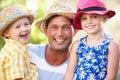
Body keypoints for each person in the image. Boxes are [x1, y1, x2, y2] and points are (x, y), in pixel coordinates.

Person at [64, 0, 120, 80]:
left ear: (105, 18)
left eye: (94, 17)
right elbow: (69, 73)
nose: (89, 21)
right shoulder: (77, 45)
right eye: (84, 18)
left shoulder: (111, 45)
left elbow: (111, 77)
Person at [28, 0, 75, 80]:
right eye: (54, 27)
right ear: (46, 31)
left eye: (66, 27)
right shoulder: (28, 52)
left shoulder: (77, 67)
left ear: (74, 31)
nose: (60, 33)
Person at [0, 5, 38, 80]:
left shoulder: (14, 49)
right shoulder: (15, 53)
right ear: (6, 33)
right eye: (18, 27)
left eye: (26, 24)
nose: (24, 29)